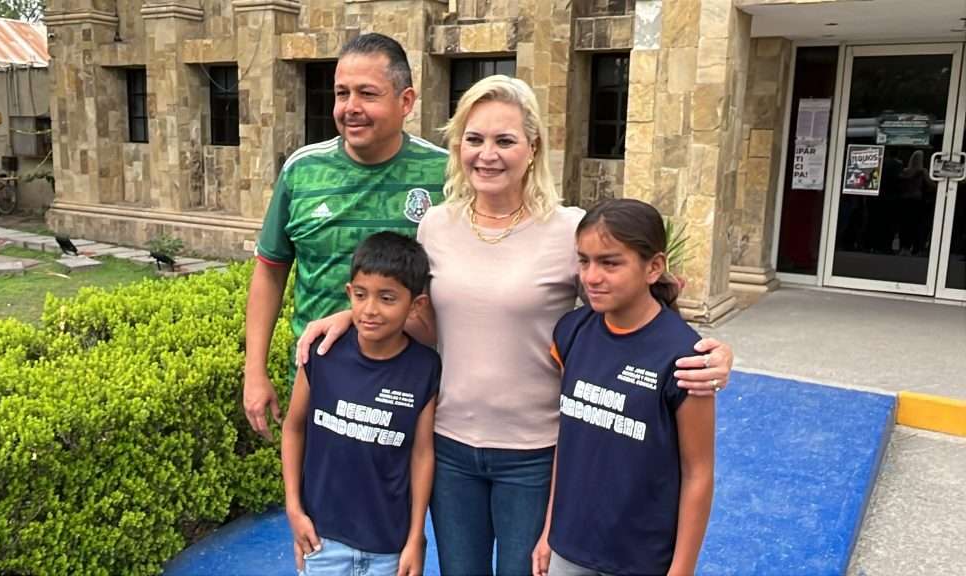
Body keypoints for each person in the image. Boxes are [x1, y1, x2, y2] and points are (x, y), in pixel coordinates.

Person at [298, 75, 733, 575]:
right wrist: (349, 315)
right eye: (474, 139)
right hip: (451, 446)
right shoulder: (435, 226)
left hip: (535, 453)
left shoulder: (568, 230)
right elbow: (415, 315)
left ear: (533, 148)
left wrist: (713, 353)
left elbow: (635, 302)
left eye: (504, 140)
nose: (487, 154)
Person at [244, 33, 448, 441]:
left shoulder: (445, 174)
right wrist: (254, 372)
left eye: (367, 94)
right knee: (313, 482)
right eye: (342, 93)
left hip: (409, 393)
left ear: (406, 101)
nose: (350, 107)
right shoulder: (302, 170)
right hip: (318, 382)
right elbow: (270, 270)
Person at [531, 199, 715, 576]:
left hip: (641, 558)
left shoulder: (685, 357)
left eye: (610, 263)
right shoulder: (572, 332)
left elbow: (698, 472)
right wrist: (550, 530)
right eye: (584, 261)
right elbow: (569, 440)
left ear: (654, 267)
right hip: (569, 548)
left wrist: (682, 570)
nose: (592, 276)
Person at [281, 231, 440, 576]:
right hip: (321, 541)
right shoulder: (322, 353)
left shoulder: (424, 368)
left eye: (387, 298)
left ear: (415, 305)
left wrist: (416, 537)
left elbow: (422, 454)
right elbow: (293, 428)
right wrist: (293, 508)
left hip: (389, 548)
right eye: (360, 295)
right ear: (348, 292)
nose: (370, 310)